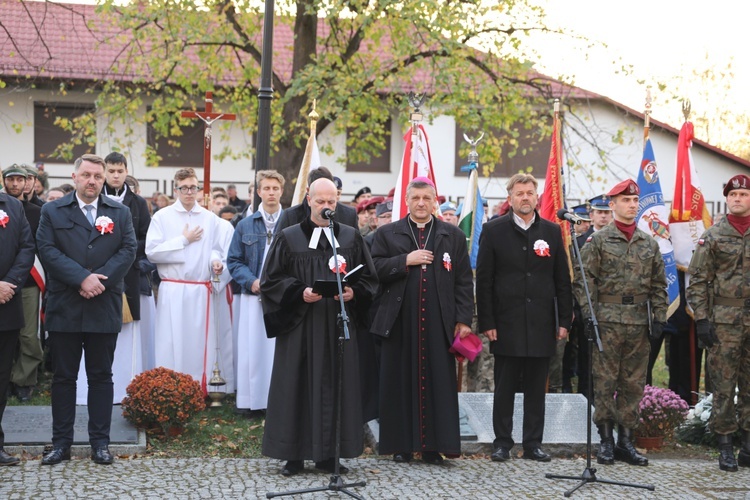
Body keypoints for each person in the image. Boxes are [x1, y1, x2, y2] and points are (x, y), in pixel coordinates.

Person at [260, 178, 378, 476]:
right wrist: (299, 292)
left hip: (337, 327)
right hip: (300, 327)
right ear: (308, 200)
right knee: (296, 387)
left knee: (337, 387)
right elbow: (270, 281)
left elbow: (369, 280)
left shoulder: (350, 238)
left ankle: (330, 455)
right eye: (321, 201)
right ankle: (294, 456)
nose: (326, 207)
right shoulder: (289, 237)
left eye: (332, 202)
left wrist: (354, 292)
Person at [36, 154, 137, 465]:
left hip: (103, 305)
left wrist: (99, 282)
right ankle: (61, 443)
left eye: (98, 175)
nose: (92, 180)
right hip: (66, 305)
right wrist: (82, 277)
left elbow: (129, 249)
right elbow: (47, 249)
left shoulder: (119, 213)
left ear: (104, 178)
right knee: (64, 378)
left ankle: (100, 443)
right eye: (87, 175)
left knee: (101, 377)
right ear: (75, 176)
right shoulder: (52, 210)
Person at [370, 177, 474, 465]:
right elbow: (374, 269)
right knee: (399, 383)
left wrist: (464, 319)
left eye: (426, 198)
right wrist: (406, 260)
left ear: (434, 202)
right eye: (415, 198)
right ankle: (401, 446)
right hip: (400, 322)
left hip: (440, 324)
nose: (420, 203)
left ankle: (433, 447)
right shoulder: (388, 233)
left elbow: (464, 281)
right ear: (406, 201)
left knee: (438, 386)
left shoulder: (451, 235)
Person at [476, 173, 573, 463]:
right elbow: (484, 281)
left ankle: (532, 444)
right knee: (504, 386)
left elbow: (562, 281)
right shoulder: (493, 231)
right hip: (505, 323)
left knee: (536, 388)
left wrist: (564, 320)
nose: (525, 197)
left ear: (537, 197)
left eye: (530, 192)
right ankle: (502, 442)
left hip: (542, 322)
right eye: (520, 193)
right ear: (510, 198)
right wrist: (488, 321)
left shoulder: (552, 232)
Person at [574, 178, 667, 467]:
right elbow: (584, 280)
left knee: (633, 383)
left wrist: (659, 319)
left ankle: (626, 441)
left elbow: (658, 286)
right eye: (625, 200)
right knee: (604, 382)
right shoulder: (598, 241)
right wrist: (588, 316)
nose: (631, 205)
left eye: (634, 200)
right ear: (612, 206)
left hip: (639, 323)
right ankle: (605, 440)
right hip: (607, 322)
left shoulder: (648, 243)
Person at [146, 168, 235, 395]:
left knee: (198, 345)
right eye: (184, 188)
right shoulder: (162, 217)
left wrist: (216, 263)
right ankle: (170, 389)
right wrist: (183, 241)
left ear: (198, 189)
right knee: (171, 341)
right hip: (173, 289)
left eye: (193, 188)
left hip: (199, 290)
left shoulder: (209, 219)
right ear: (175, 189)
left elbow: (216, 249)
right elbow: (152, 252)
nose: (188, 192)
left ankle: (197, 389)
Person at [75, 152, 152, 405]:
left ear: (126, 172)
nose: (115, 176)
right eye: (111, 171)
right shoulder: (93, 198)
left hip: (126, 276)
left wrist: (120, 253)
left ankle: (124, 388)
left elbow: (143, 240)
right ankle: (89, 390)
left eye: (120, 171)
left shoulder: (138, 203)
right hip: (91, 275)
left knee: (126, 335)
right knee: (94, 333)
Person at [687, 173, 750, 472]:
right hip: (723, 322)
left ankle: (748, 446)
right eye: (733, 195)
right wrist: (702, 320)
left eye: (744, 195)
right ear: (726, 198)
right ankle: (725, 445)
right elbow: (698, 281)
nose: (738, 199)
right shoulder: (712, 236)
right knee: (724, 386)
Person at [228, 170, 285, 415]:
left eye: (275, 188)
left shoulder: (291, 222)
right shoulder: (245, 224)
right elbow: (234, 260)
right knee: (252, 349)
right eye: (266, 188)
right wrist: (251, 281)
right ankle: (251, 402)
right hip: (253, 295)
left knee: (278, 350)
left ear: (282, 191)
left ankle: (279, 401)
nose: (271, 192)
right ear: (258, 191)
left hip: (283, 298)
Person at [2, 165, 43, 402]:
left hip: (26, 282)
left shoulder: (37, 211)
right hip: (3, 283)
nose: (17, 184)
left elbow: (32, 247)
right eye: (12, 180)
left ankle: (24, 380)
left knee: (28, 335)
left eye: (22, 179)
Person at [0, 188, 35, 465]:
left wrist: (8, 284)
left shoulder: (13, 206)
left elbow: (26, 247)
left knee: (1, 380)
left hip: (6, 306)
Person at [276, 167, 357, 231]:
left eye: (330, 202)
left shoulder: (349, 215)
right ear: (308, 191)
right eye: (320, 201)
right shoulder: (291, 216)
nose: (325, 207)